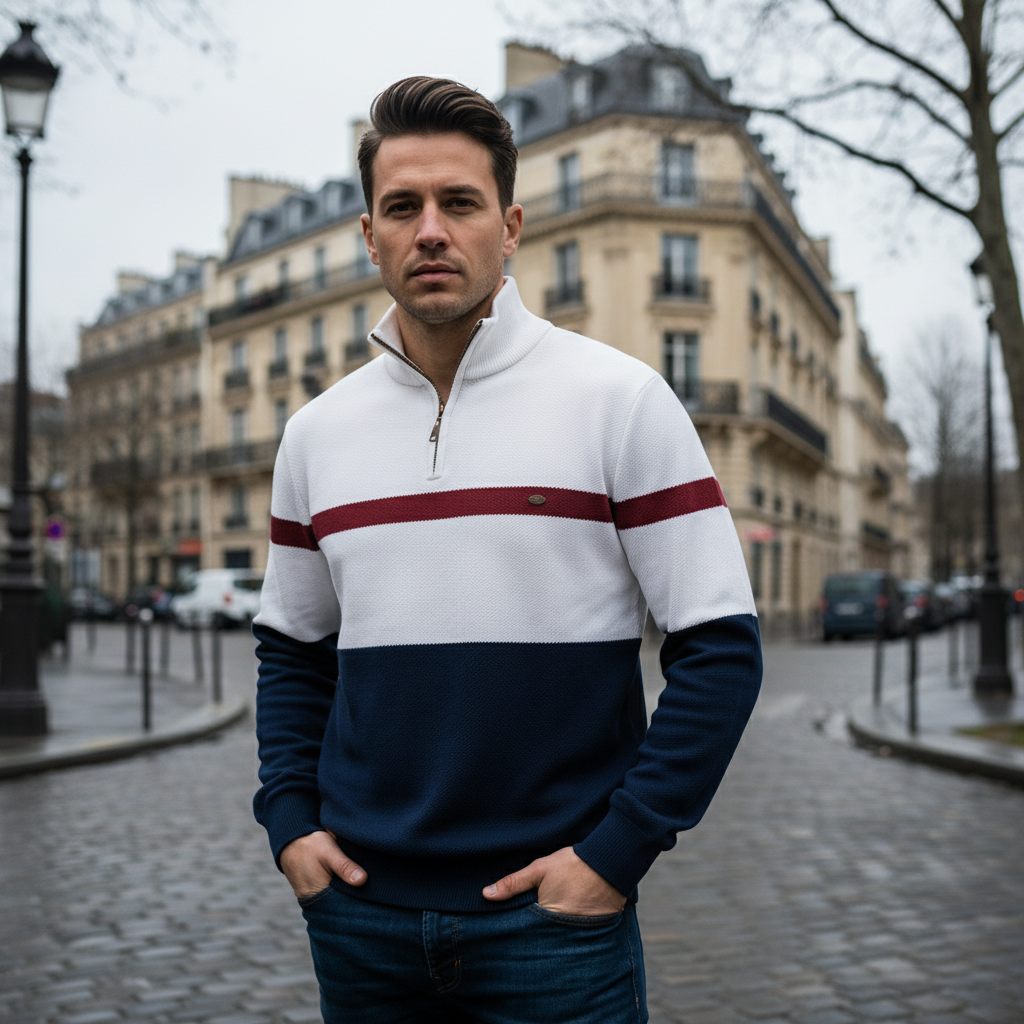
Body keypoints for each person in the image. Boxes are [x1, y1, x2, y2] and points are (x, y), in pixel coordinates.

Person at [252, 75, 762, 1024]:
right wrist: (290, 824)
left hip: (553, 930)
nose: (431, 229)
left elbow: (721, 646)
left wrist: (617, 853)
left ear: (512, 225)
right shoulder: (315, 435)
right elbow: (292, 649)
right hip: (361, 921)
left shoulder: (621, 399)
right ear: (370, 236)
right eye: (402, 207)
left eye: (460, 203)